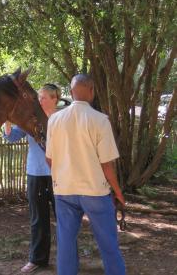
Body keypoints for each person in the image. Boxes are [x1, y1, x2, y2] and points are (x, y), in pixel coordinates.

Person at [45, 74, 126, 275]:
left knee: (65, 244)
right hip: (95, 192)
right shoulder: (100, 120)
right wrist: (118, 193)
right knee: (108, 244)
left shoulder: (54, 120)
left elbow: (49, 159)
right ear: (92, 91)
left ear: (71, 93)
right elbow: (107, 165)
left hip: (64, 191)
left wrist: (61, 176)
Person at [2, 84, 60, 273]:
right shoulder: (31, 119)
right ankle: (38, 259)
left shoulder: (63, 119)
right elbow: (10, 138)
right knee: (38, 219)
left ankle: (67, 259)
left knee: (64, 219)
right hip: (35, 173)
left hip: (60, 174)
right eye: (38, 97)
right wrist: (8, 120)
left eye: (43, 97)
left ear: (55, 99)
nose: (39, 101)